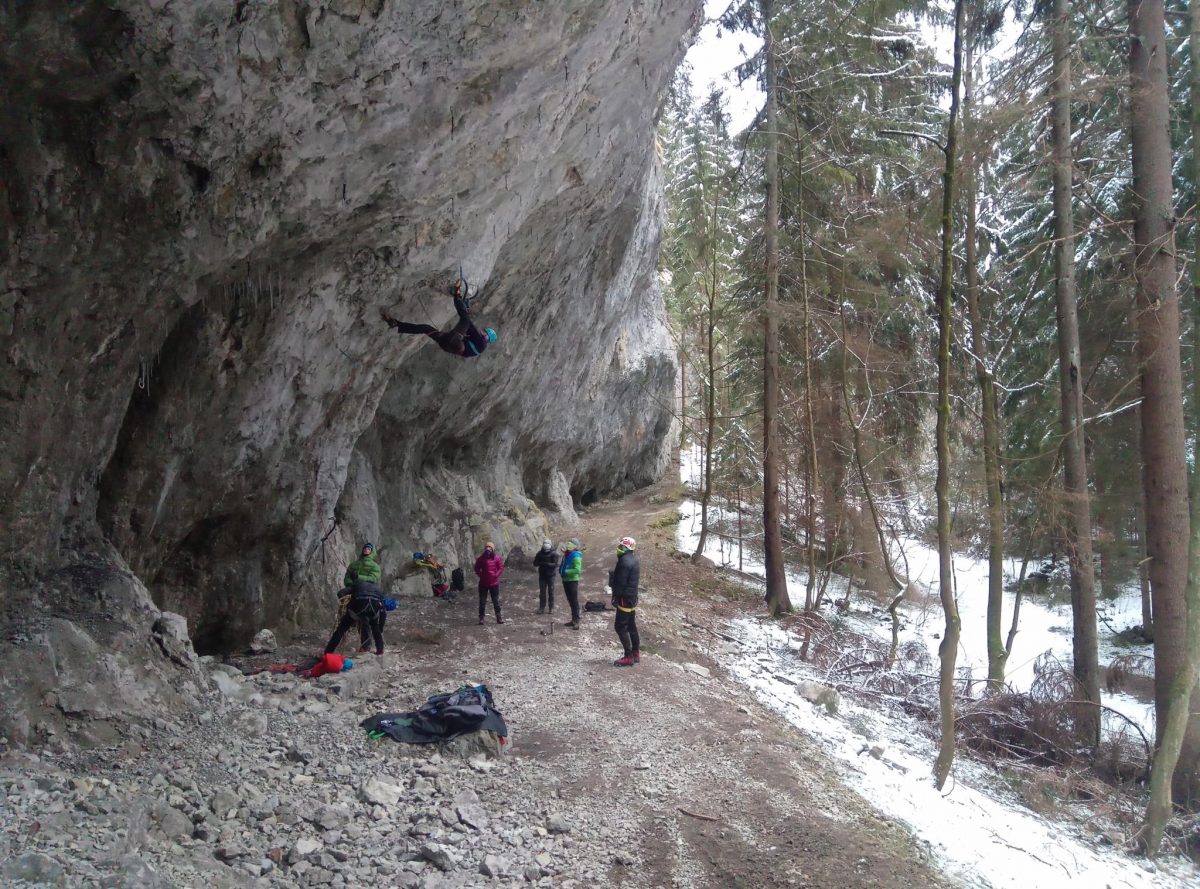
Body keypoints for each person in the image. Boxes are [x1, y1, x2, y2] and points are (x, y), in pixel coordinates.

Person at [380, 281, 497, 358]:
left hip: (454, 341)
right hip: (446, 344)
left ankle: (457, 294)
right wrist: (465, 307)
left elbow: (468, 324)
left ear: (487, 337)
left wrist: (464, 305)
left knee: (465, 320)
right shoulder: (477, 348)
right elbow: (467, 329)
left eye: (485, 332)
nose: (482, 332)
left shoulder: (481, 343)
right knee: (426, 328)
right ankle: (396, 324)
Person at [326, 542, 387, 655]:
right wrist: (353, 581)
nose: (366, 550)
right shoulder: (354, 565)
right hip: (368, 594)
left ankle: (328, 651)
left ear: (372, 552)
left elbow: (373, 578)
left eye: (369, 548)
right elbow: (347, 579)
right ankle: (379, 650)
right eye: (365, 548)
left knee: (343, 626)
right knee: (373, 625)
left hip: (358, 593)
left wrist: (358, 578)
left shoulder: (375, 566)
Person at [609, 537, 641, 666]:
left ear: (625, 548)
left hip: (624, 598)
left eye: (621, 547)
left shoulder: (624, 562)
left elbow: (620, 583)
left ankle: (628, 656)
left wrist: (615, 597)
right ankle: (635, 653)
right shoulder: (634, 560)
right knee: (632, 626)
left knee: (620, 627)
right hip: (632, 597)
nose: (619, 548)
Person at [474, 542, 505, 625]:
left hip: (494, 583)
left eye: (490, 547)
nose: (488, 548)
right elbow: (476, 568)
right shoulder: (481, 559)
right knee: (482, 601)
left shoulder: (496, 558)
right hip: (483, 584)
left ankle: (499, 618)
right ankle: (481, 618)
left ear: (493, 549)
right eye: (487, 547)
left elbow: (500, 567)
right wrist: (481, 575)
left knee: (496, 601)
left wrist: (496, 575)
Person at [559, 539, 583, 629]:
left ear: (575, 546)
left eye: (571, 543)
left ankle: (576, 621)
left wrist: (566, 571)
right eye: (568, 542)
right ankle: (573, 620)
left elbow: (577, 570)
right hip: (565, 580)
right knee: (570, 600)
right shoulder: (567, 554)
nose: (568, 544)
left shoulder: (576, 556)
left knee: (574, 601)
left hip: (572, 581)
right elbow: (563, 563)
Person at [532, 538, 559, 614]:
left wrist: (547, 564)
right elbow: (535, 563)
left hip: (551, 576)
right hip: (542, 575)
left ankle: (551, 608)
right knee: (542, 592)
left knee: (551, 592)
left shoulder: (554, 554)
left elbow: (556, 564)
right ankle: (542, 607)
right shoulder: (540, 553)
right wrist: (540, 563)